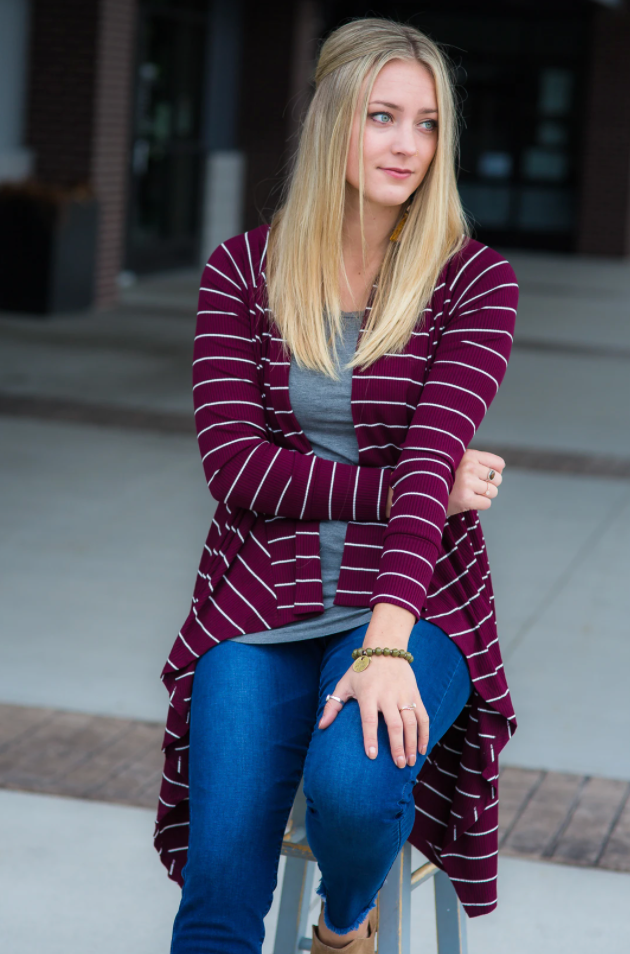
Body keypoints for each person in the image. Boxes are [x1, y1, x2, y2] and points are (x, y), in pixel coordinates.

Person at [156, 17, 518, 954]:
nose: (407, 145)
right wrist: (415, 489)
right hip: (259, 595)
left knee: (354, 793)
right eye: (383, 117)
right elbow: (233, 469)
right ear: (332, 125)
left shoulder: (473, 282)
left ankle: (343, 924)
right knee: (221, 878)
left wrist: (387, 645)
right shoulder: (242, 272)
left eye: (428, 123)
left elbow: (435, 450)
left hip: (415, 598)